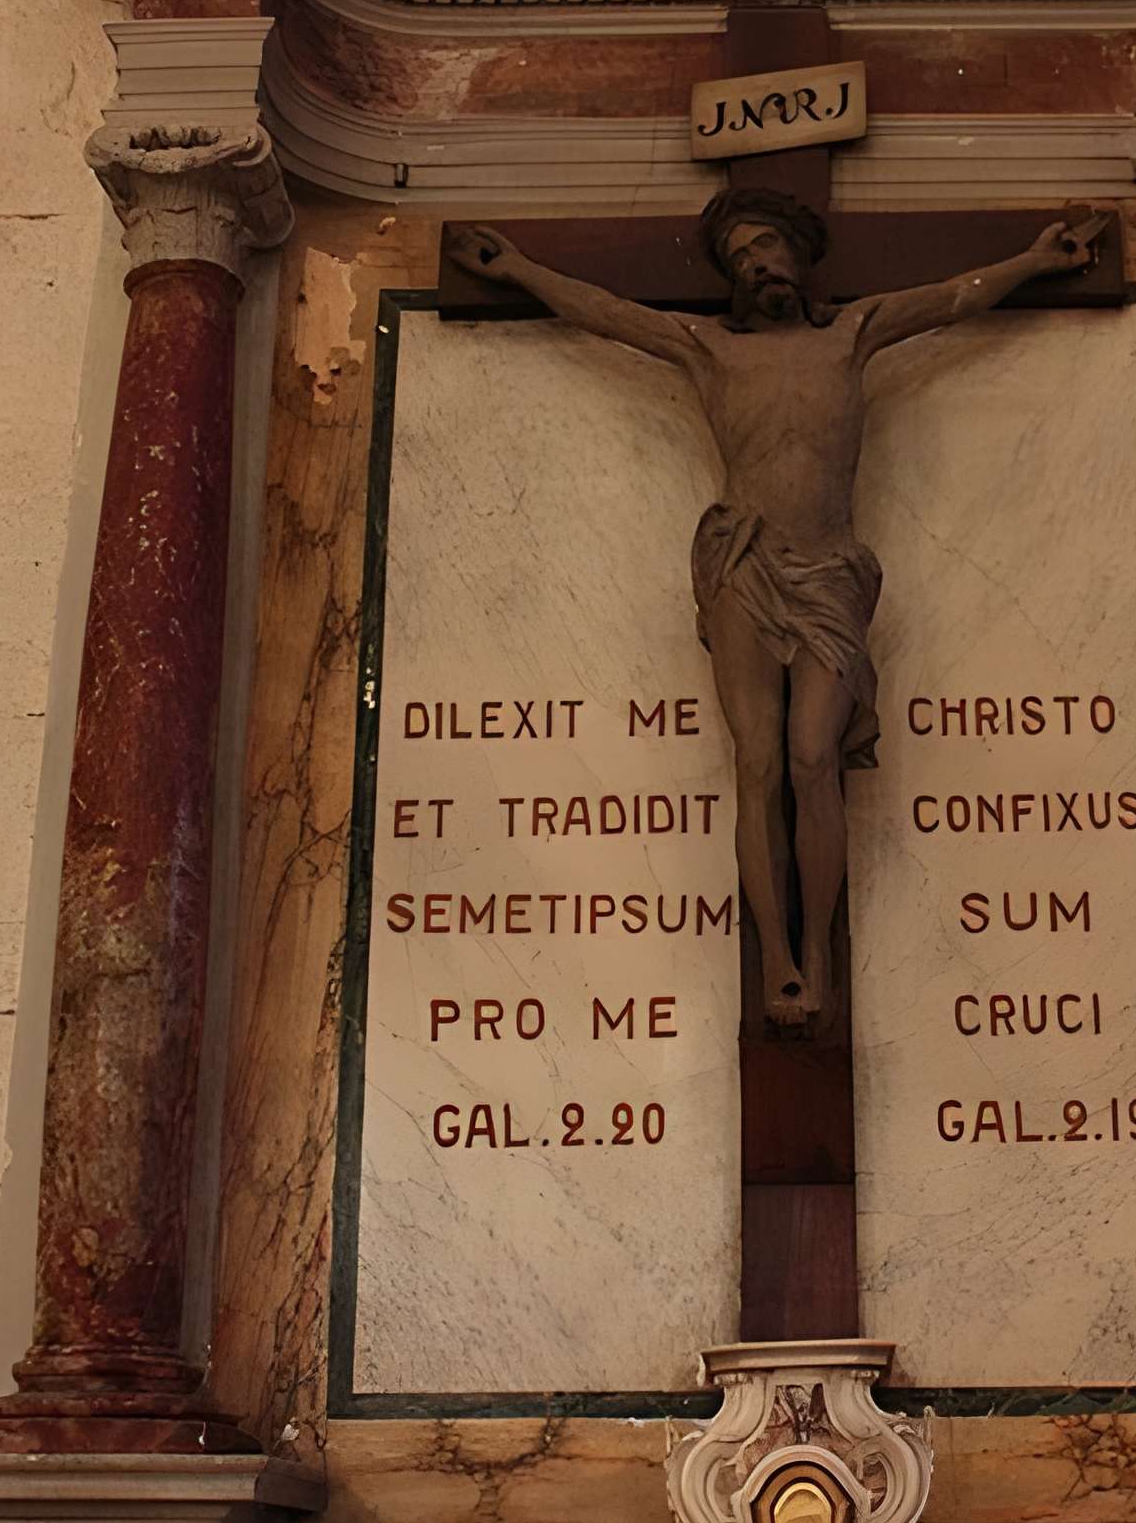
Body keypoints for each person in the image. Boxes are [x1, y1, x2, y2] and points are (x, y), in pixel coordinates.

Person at [455, 192, 1100, 1029]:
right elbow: (606, 314)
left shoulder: (854, 334)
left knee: (811, 757)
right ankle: (778, 957)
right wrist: (517, 270)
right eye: (739, 259)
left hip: (830, 569)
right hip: (744, 565)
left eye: (766, 248)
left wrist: (1035, 262)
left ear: (799, 256)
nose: (756, 265)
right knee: (756, 761)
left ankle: (821, 949)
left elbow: (952, 296)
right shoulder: (709, 349)